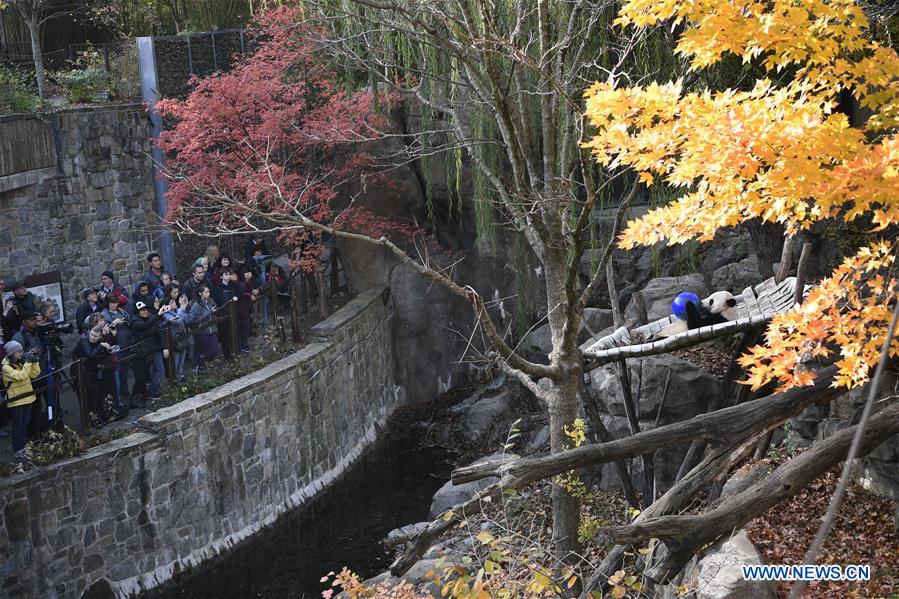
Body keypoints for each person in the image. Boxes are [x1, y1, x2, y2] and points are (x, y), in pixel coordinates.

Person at [2, 340, 41, 460]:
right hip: (16, 400)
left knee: (25, 425)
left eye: (22, 351)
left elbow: (35, 374)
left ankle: (23, 448)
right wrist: (28, 362)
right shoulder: (6, 367)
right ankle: (17, 450)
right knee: (18, 426)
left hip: (27, 397)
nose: (21, 353)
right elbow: (21, 376)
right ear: (12, 353)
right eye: (18, 352)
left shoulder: (20, 362)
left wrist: (35, 361)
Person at [72, 325, 117, 421]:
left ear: (100, 337)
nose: (92, 337)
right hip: (81, 372)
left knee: (95, 394)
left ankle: (95, 415)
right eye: (91, 334)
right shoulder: (84, 340)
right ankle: (87, 420)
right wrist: (101, 346)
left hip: (93, 371)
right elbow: (91, 355)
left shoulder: (101, 340)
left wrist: (110, 338)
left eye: (95, 336)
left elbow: (106, 350)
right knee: (85, 396)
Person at [131, 300, 168, 405]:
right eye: (141, 310)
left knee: (145, 377)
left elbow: (158, 330)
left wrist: (164, 346)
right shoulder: (134, 321)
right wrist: (158, 315)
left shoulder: (150, 317)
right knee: (140, 379)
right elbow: (145, 326)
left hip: (148, 352)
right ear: (137, 312)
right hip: (137, 354)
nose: (145, 312)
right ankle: (135, 399)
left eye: (145, 309)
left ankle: (143, 397)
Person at [187, 284, 220, 372]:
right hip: (202, 331)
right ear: (200, 293)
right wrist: (209, 312)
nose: (208, 294)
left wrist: (215, 311)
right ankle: (201, 366)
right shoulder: (196, 305)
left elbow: (215, 310)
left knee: (215, 350)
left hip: (212, 329)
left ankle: (205, 362)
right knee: (204, 351)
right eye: (206, 292)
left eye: (208, 292)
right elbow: (195, 320)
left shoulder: (211, 301)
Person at [161, 284, 190, 384]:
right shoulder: (165, 309)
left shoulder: (178, 306)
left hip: (182, 337)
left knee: (181, 364)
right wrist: (181, 309)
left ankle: (179, 380)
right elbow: (175, 321)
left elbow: (186, 319)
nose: (177, 294)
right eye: (174, 292)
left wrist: (182, 308)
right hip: (173, 340)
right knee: (175, 363)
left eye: (178, 292)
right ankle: (175, 383)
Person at [213, 269, 240, 360]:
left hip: (233, 313)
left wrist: (237, 297)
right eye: (226, 274)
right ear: (221, 276)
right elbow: (216, 301)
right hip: (223, 315)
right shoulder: (218, 288)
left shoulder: (234, 285)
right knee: (224, 336)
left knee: (233, 333)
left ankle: (235, 351)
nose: (228, 276)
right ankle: (227, 355)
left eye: (229, 274)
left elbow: (240, 293)